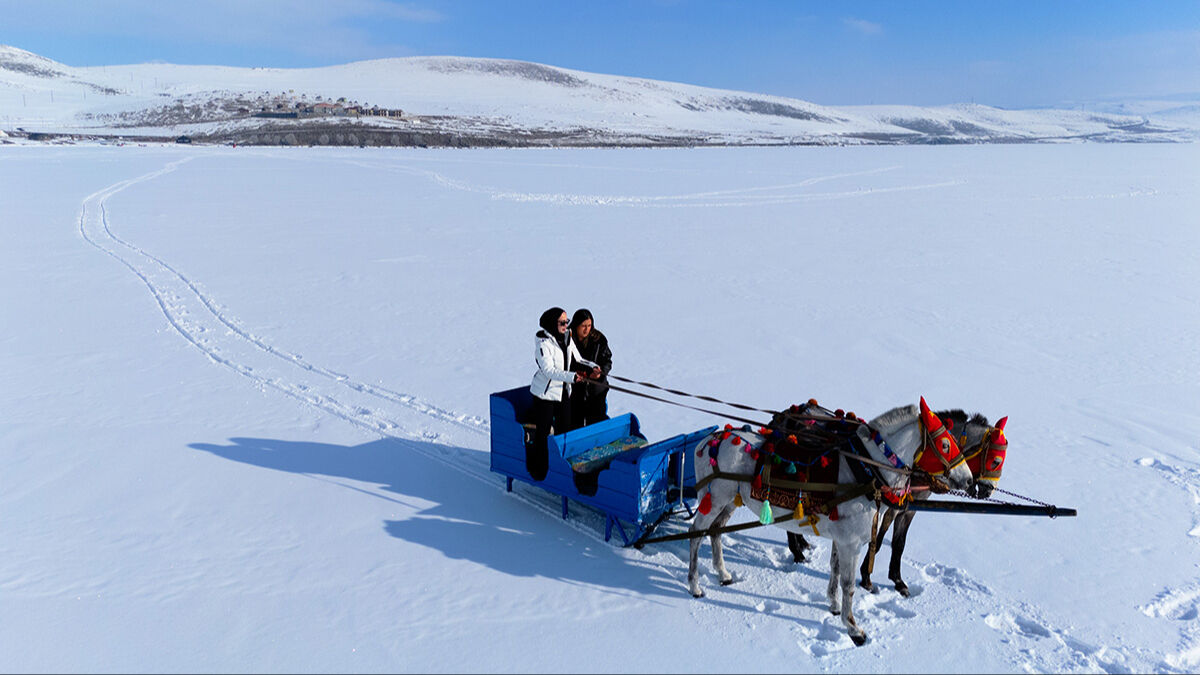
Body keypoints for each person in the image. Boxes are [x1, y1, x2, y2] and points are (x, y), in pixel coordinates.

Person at [527, 307, 600, 481]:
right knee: (543, 433)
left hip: (563, 392)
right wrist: (572, 377)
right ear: (552, 323)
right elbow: (549, 371)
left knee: (565, 430)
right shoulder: (543, 344)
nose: (566, 325)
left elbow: (578, 358)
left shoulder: (567, 337)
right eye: (562, 322)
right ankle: (540, 470)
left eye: (566, 322)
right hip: (545, 395)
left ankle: (562, 470)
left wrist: (592, 366)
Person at [568, 308, 612, 428]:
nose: (587, 329)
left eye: (589, 325)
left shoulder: (598, 339)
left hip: (596, 388)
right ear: (576, 325)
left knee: (596, 421)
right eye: (583, 326)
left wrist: (600, 373)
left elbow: (607, 360)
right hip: (575, 388)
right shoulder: (567, 339)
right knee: (575, 422)